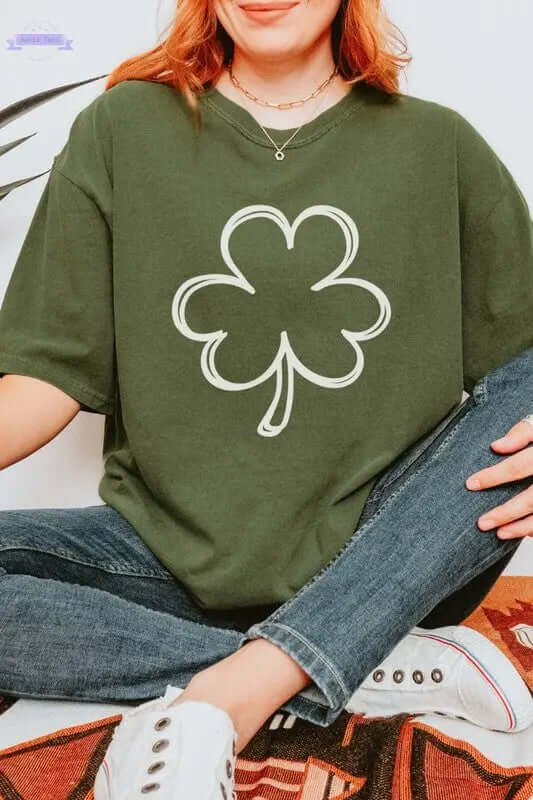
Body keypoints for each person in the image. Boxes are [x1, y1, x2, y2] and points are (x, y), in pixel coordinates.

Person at [0, 0, 532, 797]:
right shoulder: (121, 129)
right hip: (171, 554)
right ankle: (339, 662)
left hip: (393, 554)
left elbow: (516, 367)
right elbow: (47, 373)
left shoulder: (438, 144)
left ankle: (232, 693)